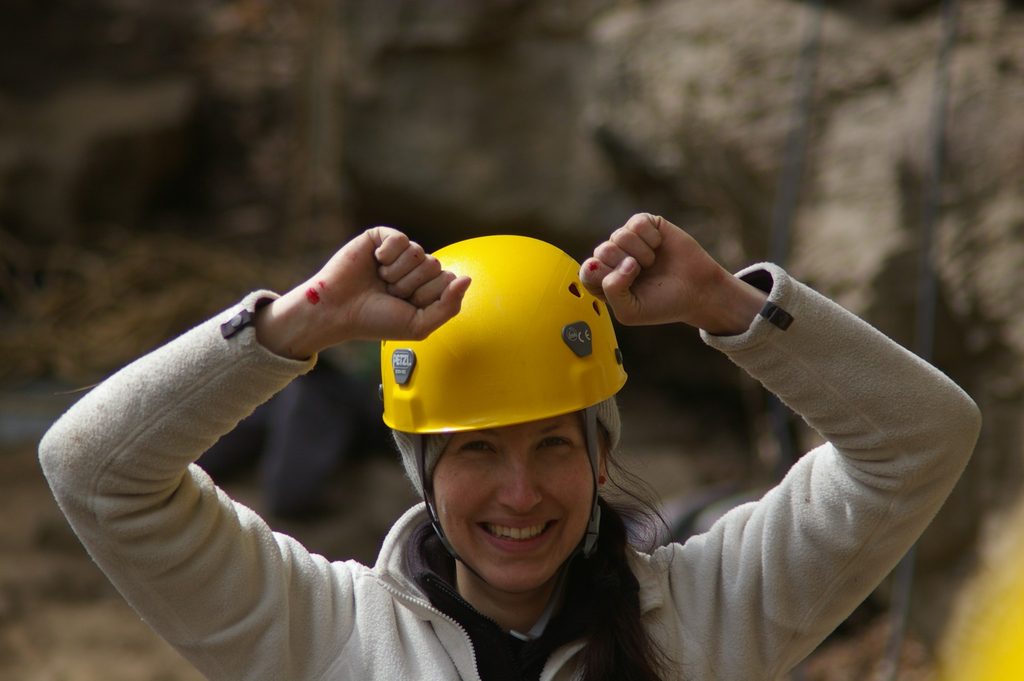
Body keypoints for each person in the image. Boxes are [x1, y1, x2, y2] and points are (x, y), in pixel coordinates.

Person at [39, 213, 981, 681]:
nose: (521, 493)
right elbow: (95, 470)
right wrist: (298, 324)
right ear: (423, 465)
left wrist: (730, 308)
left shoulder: (705, 618)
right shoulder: (327, 636)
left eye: (553, 447)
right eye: (479, 450)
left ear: (601, 456)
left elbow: (922, 438)